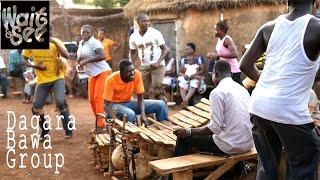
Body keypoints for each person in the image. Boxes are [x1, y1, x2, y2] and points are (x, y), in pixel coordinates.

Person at [239, 0, 320, 179]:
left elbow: (244, 64)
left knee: (267, 167)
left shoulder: (268, 27)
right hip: (289, 110)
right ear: (315, 2)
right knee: (304, 163)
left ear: (287, 1)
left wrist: (269, 85)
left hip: (259, 106)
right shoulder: (316, 27)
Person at [174, 60, 253, 157]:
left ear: (216, 74)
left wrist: (188, 131)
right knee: (214, 134)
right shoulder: (242, 89)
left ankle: (174, 171)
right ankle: (237, 169)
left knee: (183, 137)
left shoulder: (217, 92)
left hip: (231, 146)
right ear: (230, 74)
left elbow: (215, 128)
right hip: (248, 143)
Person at [22, 23, 73, 140]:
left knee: (60, 101)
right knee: (36, 106)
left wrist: (54, 42)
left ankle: (68, 130)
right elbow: (24, 60)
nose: (47, 35)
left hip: (57, 77)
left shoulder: (56, 42)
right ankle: (45, 131)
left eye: (49, 33)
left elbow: (66, 55)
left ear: (52, 33)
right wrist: (36, 66)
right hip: (42, 80)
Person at [104, 59, 168, 124]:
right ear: (121, 73)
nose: (132, 73)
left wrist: (143, 115)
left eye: (133, 70)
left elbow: (140, 99)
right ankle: (130, 133)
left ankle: (162, 128)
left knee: (160, 104)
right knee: (130, 114)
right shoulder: (111, 80)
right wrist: (115, 119)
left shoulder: (136, 74)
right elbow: (106, 106)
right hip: (115, 105)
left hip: (128, 102)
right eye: (129, 71)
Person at [77, 24, 112, 131]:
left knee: (98, 98)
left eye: (87, 32)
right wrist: (79, 61)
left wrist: (87, 61)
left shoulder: (94, 42)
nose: (85, 34)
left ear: (91, 33)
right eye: (83, 32)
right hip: (92, 74)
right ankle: (99, 122)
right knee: (91, 100)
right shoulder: (81, 43)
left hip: (103, 72)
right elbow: (81, 55)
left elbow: (102, 56)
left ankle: (101, 125)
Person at [129, 13, 169, 99]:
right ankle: (147, 109)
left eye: (148, 21)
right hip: (144, 66)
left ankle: (162, 105)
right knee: (143, 89)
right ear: (138, 22)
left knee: (156, 88)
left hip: (158, 66)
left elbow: (166, 49)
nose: (147, 23)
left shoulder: (155, 33)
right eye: (144, 21)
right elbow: (132, 52)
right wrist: (131, 64)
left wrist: (158, 62)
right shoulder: (133, 36)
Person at [207, 20, 242, 85]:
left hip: (233, 70)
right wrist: (214, 55)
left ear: (222, 31)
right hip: (227, 70)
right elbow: (220, 54)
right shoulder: (220, 40)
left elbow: (235, 54)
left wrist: (217, 54)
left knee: (236, 91)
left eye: (216, 30)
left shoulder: (227, 40)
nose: (214, 32)